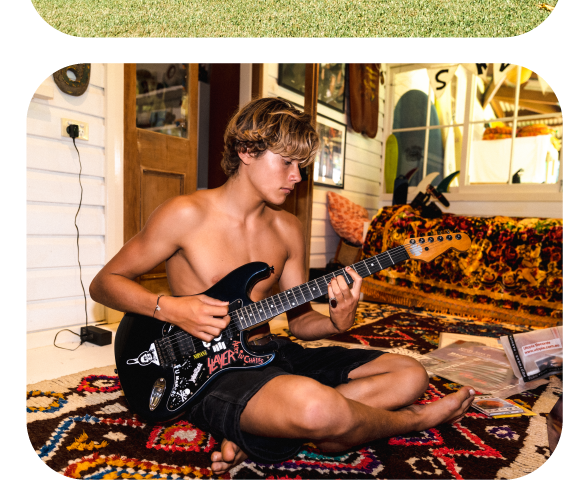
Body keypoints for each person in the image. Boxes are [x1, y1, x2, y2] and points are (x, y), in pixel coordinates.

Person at [89, 96, 475, 474]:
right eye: (287, 162)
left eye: (301, 165)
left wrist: (339, 321)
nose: (297, 176)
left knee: (410, 375)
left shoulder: (288, 229)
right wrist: (169, 307)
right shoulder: (185, 214)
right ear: (246, 151)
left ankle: (276, 427)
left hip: (270, 352)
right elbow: (104, 283)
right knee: (316, 407)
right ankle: (409, 420)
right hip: (209, 371)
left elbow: (300, 322)